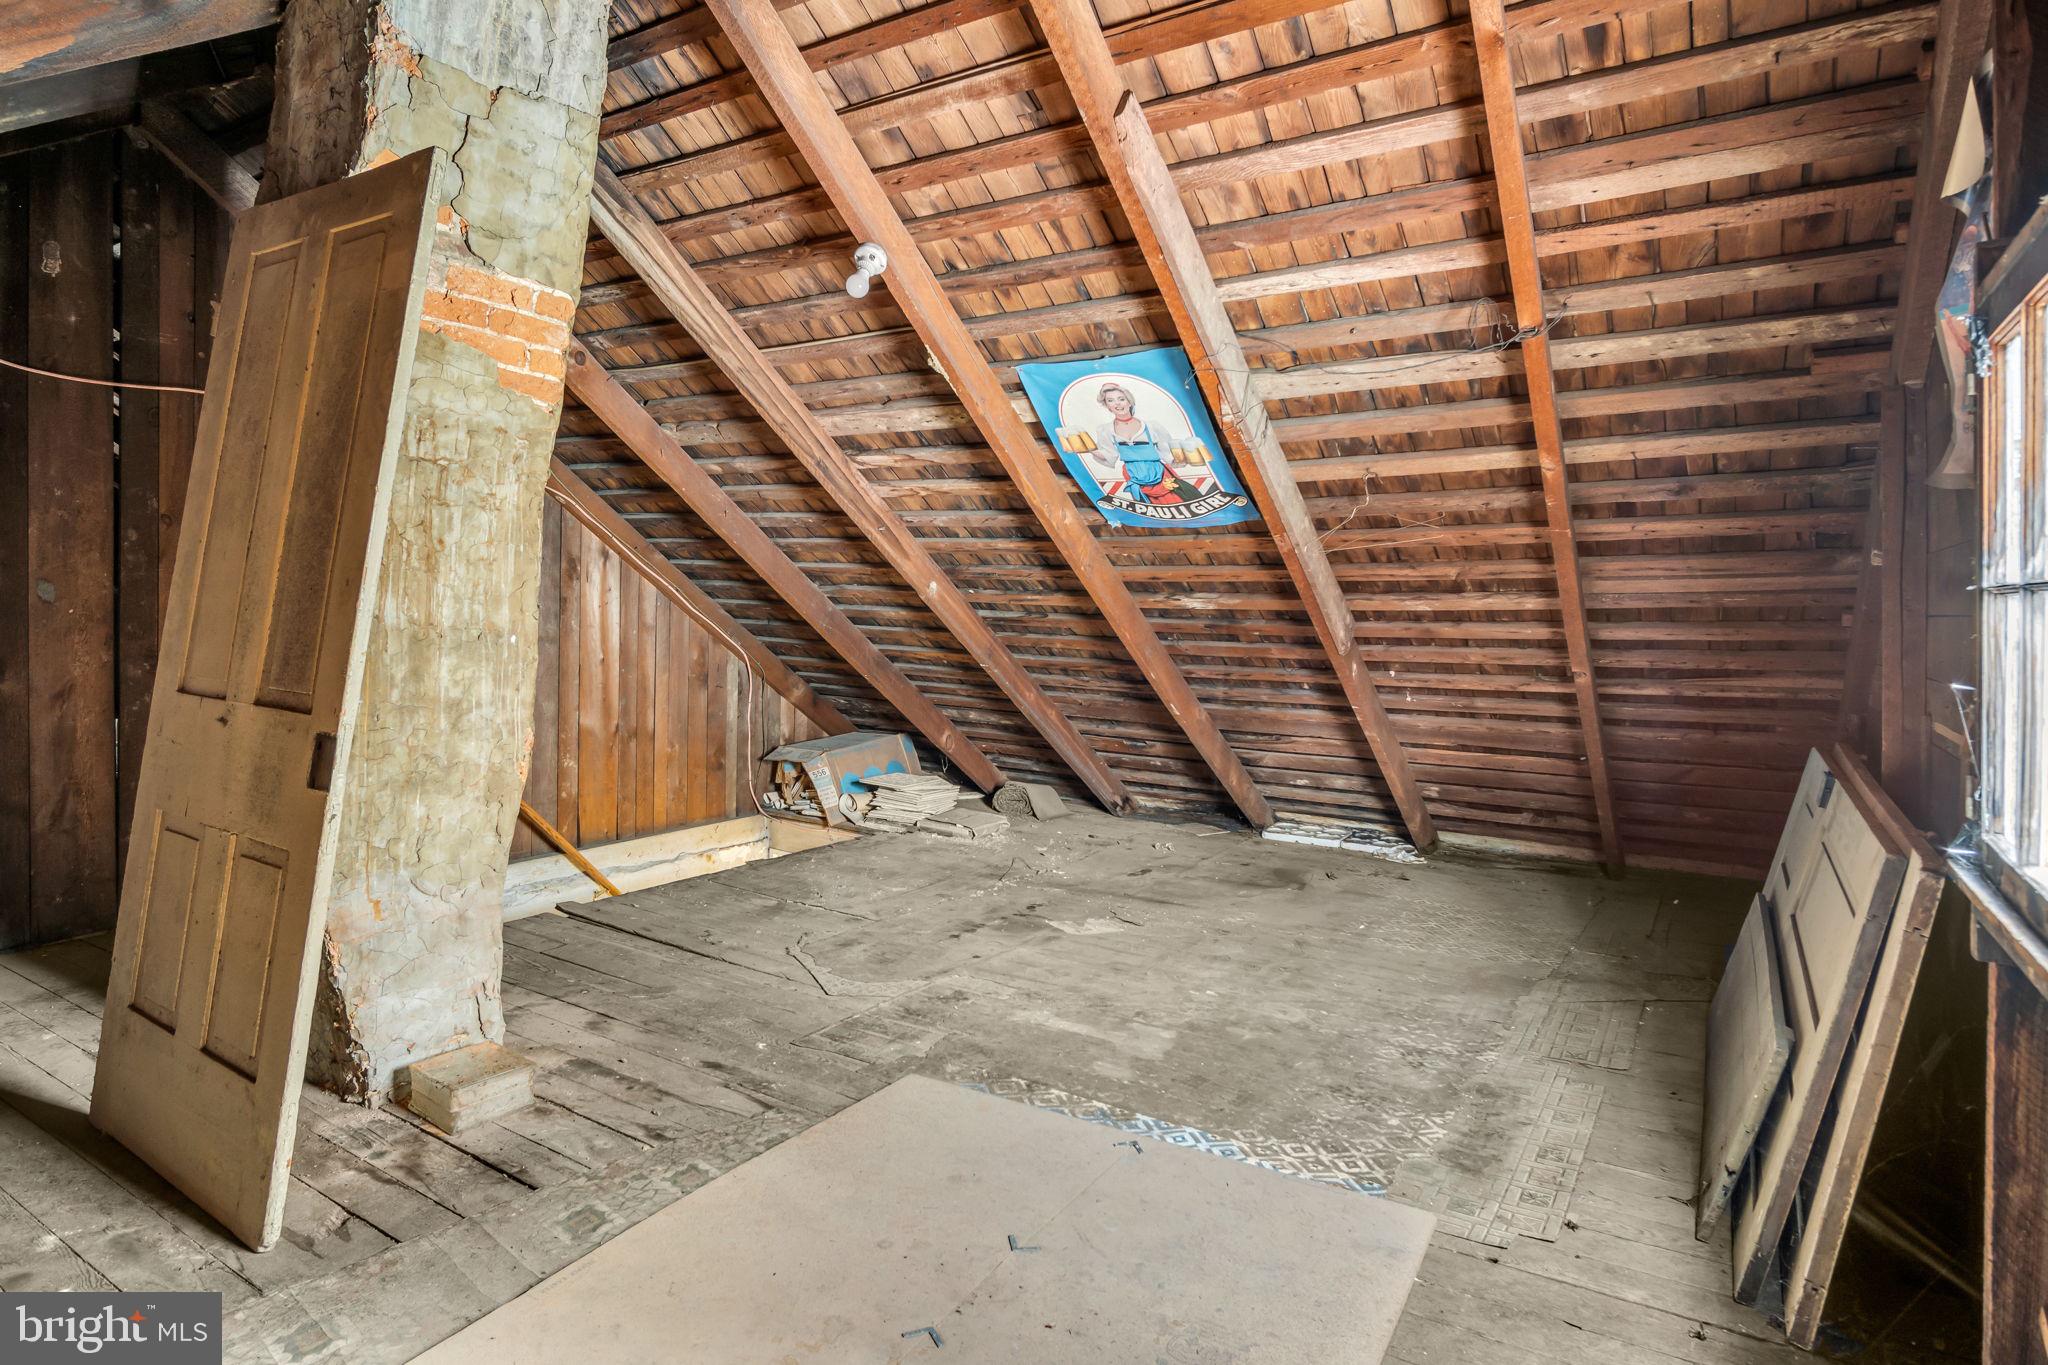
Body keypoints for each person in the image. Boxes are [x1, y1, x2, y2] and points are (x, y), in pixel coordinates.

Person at [1088, 382, 1205, 505]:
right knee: (1148, 508)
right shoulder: (1105, 430)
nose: (1117, 403)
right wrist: (1088, 449)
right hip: (1134, 475)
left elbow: (1168, 454)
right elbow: (1109, 455)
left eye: (1121, 399)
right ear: (1107, 406)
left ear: (1129, 401)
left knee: (1176, 503)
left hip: (1159, 473)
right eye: (1110, 400)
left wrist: (1183, 459)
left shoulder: (1152, 426)